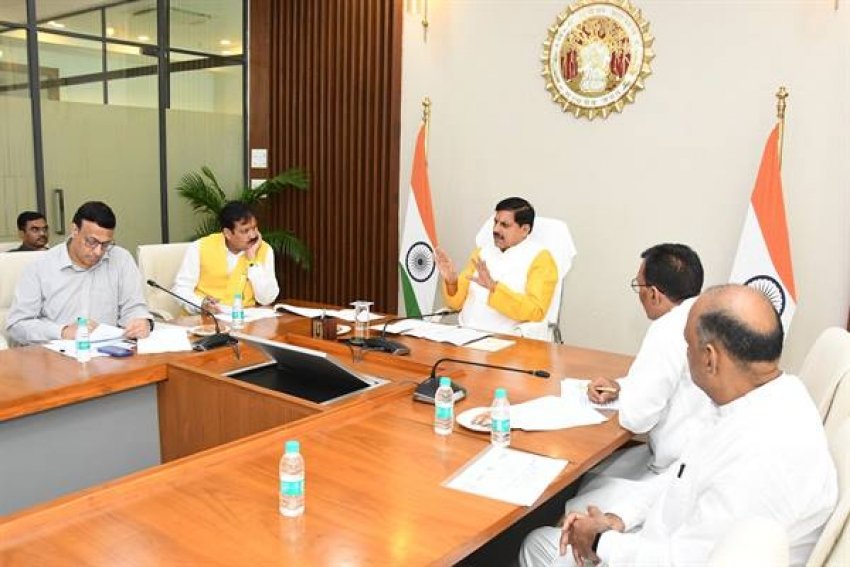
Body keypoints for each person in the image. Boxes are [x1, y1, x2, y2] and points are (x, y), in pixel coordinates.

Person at [520, 285, 837, 567]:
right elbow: (683, 475)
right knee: (549, 535)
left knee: (540, 547)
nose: (685, 355)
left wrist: (601, 542)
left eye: (688, 346)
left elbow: (686, 561)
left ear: (709, 358)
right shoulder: (773, 397)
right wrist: (619, 519)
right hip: (669, 536)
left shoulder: (760, 457)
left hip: (672, 554)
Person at [5, 201, 152, 345]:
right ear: (75, 230)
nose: (98, 251)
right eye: (91, 241)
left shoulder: (121, 259)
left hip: (110, 351)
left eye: (106, 244)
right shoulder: (40, 267)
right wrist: (62, 331)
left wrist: (140, 321)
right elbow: (17, 325)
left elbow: (134, 307)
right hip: (55, 354)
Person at [435, 197, 557, 334]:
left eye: (504, 225)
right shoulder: (482, 252)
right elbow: (455, 304)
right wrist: (451, 281)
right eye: (495, 222)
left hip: (506, 340)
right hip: (464, 334)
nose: (496, 229)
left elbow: (536, 311)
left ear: (524, 229)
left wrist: (494, 288)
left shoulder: (540, 259)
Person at [172, 201, 279, 313]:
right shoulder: (199, 247)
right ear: (227, 233)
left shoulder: (264, 250)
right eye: (245, 231)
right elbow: (180, 289)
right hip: (204, 318)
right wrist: (201, 305)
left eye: (254, 228)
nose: (252, 235)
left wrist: (252, 261)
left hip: (244, 318)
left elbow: (267, 299)